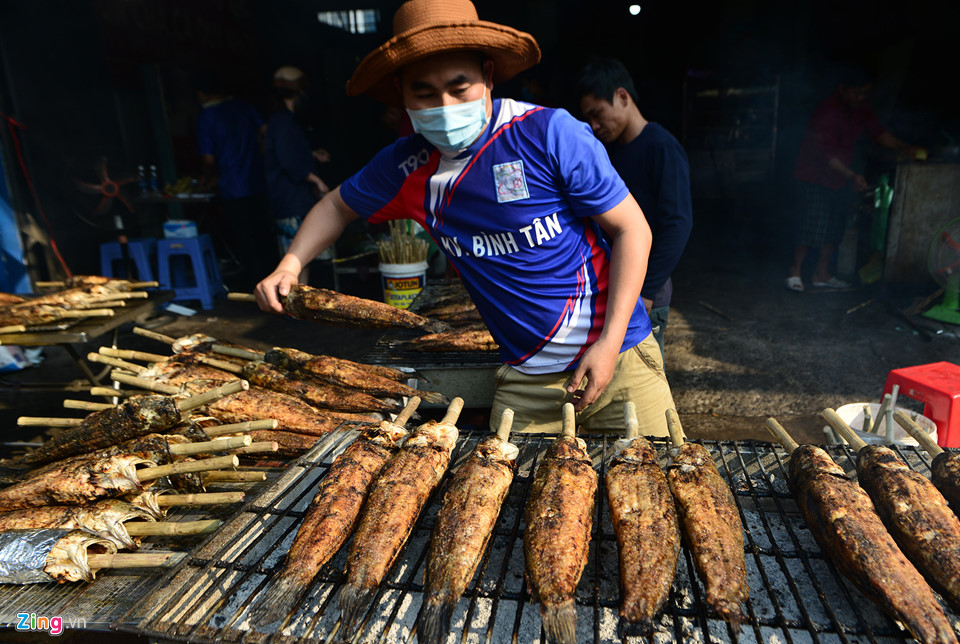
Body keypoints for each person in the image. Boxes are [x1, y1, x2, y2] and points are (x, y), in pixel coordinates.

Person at [255, 0, 677, 437]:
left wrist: (609, 344)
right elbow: (336, 206)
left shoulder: (548, 133)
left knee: (657, 473)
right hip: (527, 377)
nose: (444, 105)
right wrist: (290, 264)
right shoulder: (404, 167)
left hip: (621, 357)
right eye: (424, 93)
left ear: (488, 76)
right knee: (503, 478)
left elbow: (632, 229)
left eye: (459, 88)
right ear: (402, 93)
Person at [577, 57, 693, 361]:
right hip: (615, 289)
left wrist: (647, 291)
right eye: (588, 118)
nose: (594, 126)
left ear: (622, 96)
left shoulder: (662, 147)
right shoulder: (610, 152)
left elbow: (678, 225)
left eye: (597, 114)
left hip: (645, 294)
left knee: (645, 375)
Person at [787, 65, 925, 292]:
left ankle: (821, 274)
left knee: (835, 227)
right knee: (809, 225)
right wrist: (851, 175)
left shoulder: (862, 109)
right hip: (813, 175)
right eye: (857, 93)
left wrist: (904, 146)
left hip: (840, 178)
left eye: (865, 93)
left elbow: (878, 132)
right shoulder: (827, 111)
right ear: (842, 89)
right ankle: (795, 271)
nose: (861, 97)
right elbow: (825, 155)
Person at [194, 78, 276, 291]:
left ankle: (258, 288)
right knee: (265, 234)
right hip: (258, 181)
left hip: (232, 186)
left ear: (201, 95)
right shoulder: (244, 107)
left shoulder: (206, 118)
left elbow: (208, 160)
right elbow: (267, 132)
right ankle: (277, 282)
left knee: (245, 239)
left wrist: (206, 179)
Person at [263, 66, 331, 284]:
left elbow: (289, 152)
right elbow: (288, 161)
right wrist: (317, 180)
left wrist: (312, 154)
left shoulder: (285, 121)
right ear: (299, 93)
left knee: (301, 259)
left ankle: (299, 297)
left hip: (292, 200)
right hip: (291, 201)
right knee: (296, 258)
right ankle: (295, 299)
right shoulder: (282, 121)